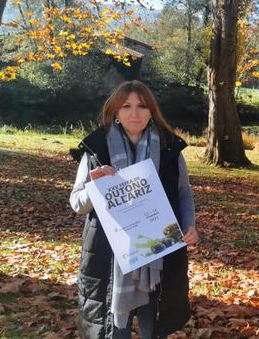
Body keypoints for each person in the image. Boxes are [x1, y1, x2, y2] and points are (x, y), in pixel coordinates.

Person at [69, 80, 200, 338]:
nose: (135, 113)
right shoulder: (96, 149)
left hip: (158, 255)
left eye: (142, 106)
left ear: (152, 110)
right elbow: (77, 204)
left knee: (154, 328)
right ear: (115, 111)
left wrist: (190, 225)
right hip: (109, 258)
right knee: (115, 330)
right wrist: (96, 187)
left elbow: (183, 195)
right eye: (126, 106)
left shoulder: (170, 148)